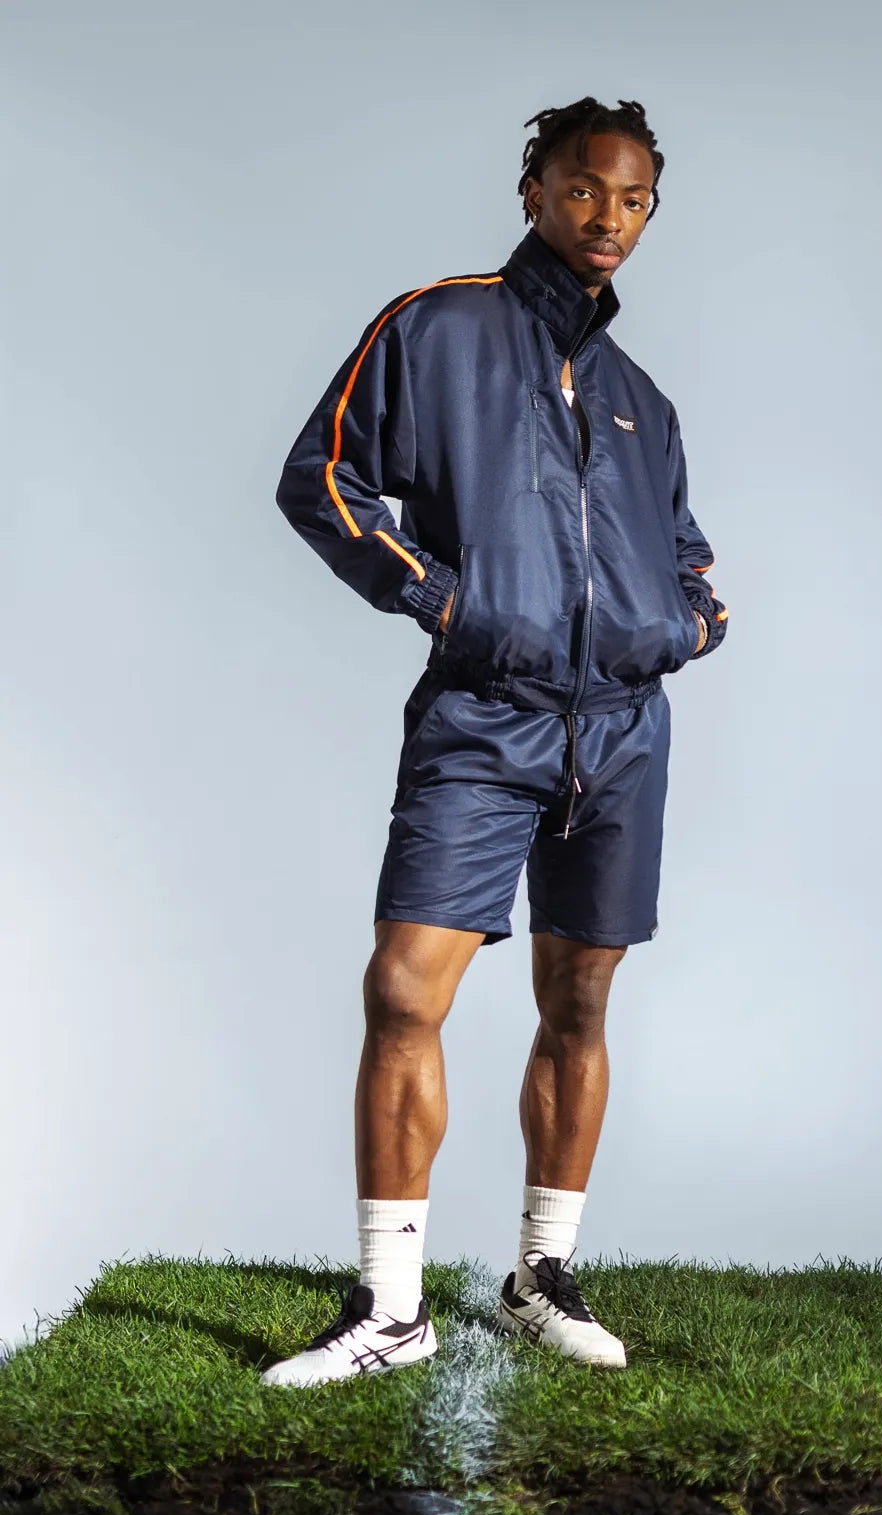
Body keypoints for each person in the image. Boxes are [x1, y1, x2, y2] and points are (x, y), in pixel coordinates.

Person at [261, 96, 728, 1388]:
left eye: (634, 199)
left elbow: (685, 552)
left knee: (580, 1002)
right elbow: (325, 478)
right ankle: (392, 1305)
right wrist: (447, 598)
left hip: (624, 732)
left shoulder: (645, 400)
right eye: (586, 188)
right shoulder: (440, 326)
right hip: (488, 716)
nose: (609, 219)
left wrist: (686, 621)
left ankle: (542, 1273)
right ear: (533, 188)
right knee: (406, 987)